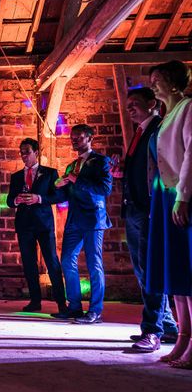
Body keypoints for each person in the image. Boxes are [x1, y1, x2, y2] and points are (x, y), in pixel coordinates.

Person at [111, 88, 178, 352]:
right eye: (127, 106)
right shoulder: (139, 132)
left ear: (152, 103)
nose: (129, 110)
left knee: (151, 271)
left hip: (150, 210)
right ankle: (169, 326)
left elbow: (165, 169)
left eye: (135, 104)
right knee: (142, 271)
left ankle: (152, 331)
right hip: (133, 211)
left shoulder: (158, 129)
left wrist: (157, 206)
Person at [145, 60, 192, 368]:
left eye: (158, 79)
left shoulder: (188, 108)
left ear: (174, 82)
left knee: (188, 272)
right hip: (163, 199)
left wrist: (183, 196)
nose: (153, 85)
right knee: (173, 272)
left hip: (180, 197)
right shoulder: (164, 116)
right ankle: (183, 339)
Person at [53, 124, 113, 324]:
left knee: (94, 264)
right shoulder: (71, 165)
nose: (74, 140)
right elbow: (67, 193)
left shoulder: (100, 161)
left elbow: (104, 188)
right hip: (74, 221)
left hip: (93, 219)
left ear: (89, 138)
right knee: (67, 260)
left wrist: (75, 180)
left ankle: (95, 311)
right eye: (72, 137)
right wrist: (58, 187)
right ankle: (75, 307)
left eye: (78, 137)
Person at [6, 139, 67, 314]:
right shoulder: (16, 176)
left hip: (43, 224)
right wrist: (15, 200)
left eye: (27, 151)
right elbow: (9, 200)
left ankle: (61, 303)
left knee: (52, 262)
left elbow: (59, 196)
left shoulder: (49, 173)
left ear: (36, 153)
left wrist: (39, 199)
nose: (23, 155)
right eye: (21, 152)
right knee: (29, 263)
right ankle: (35, 301)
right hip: (24, 225)